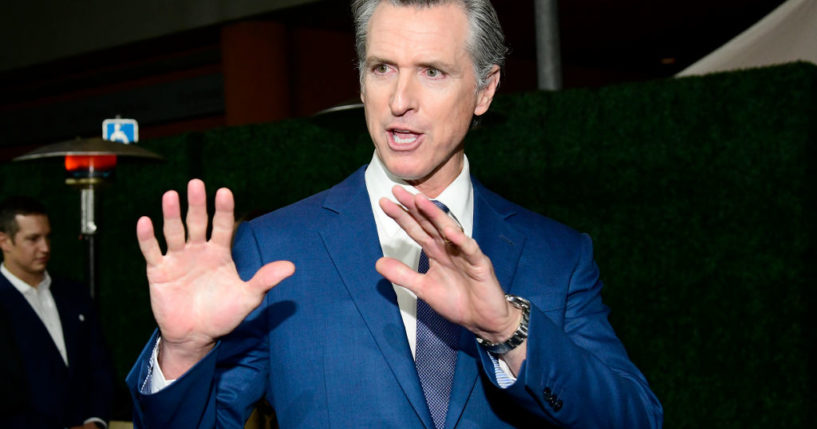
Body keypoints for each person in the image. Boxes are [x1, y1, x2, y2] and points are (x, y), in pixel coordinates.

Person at [127, 0, 663, 427]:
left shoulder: (558, 255)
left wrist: (506, 329)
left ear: (485, 90)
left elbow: (635, 419)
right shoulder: (276, 247)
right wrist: (183, 354)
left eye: (432, 71)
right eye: (382, 68)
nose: (400, 99)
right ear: (362, 81)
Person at [0, 196, 114, 429]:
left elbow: (100, 366)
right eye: (33, 239)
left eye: (47, 237)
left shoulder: (74, 294)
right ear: (4, 241)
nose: (45, 247)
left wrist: (95, 421)